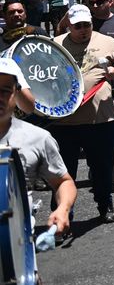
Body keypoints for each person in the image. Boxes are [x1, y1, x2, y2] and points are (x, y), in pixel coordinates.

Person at [52, 4, 114, 223]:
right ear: (69, 25)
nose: (83, 30)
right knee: (62, 172)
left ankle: (105, 204)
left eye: (86, 25)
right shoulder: (55, 45)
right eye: (77, 26)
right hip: (63, 122)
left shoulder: (107, 42)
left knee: (102, 168)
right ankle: (62, 215)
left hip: (100, 120)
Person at [0, 58, 77, 236]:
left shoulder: (38, 138)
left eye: (5, 90)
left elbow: (63, 182)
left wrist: (63, 209)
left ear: (16, 92)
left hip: (17, 243)